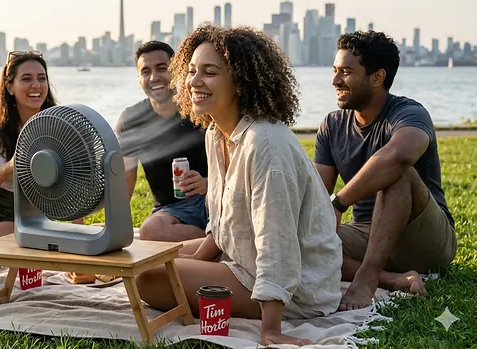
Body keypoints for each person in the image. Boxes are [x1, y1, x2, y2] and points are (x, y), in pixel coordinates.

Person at [135, 25, 343, 347]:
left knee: (147, 279)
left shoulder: (266, 144)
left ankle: (269, 313)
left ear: (241, 80)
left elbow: (278, 242)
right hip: (241, 258)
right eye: (191, 71)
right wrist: (196, 262)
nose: (194, 81)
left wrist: (271, 331)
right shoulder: (215, 134)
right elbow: (220, 224)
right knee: (147, 256)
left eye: (210, 72)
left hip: (295, 288)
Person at [314, 31, 457, 311]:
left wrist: (339, 202)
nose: (335, 81)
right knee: (299, 240)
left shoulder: (409, 113)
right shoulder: (331, 126)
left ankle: (367, 278)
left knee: (399, 172)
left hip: (422, 237)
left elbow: (399, 156)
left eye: (346, 72)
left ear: (377, 77)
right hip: (366, 235)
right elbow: (318, 195)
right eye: (335, 71)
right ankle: (392, 280)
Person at [0, 51, 82, 241]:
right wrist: (9, 168)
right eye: (27, 79)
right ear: (10, 87)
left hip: (28, 210)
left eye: (41, 78)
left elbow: (75, 185)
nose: (36, 85)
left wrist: (80, 237)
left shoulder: (59, 126)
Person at [116, 41, 209, 242]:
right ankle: (218, 242)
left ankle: (217, 241)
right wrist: (113, 225)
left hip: (216, 199)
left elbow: (236, 165)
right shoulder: (131, 120)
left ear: (177, 70)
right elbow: (125, 180)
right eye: (145, 71)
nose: (154, 77)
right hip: (172, 211)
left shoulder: (201, 108)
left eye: (161, 68)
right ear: (139, 78)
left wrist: (207, 184)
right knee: (151, 230)